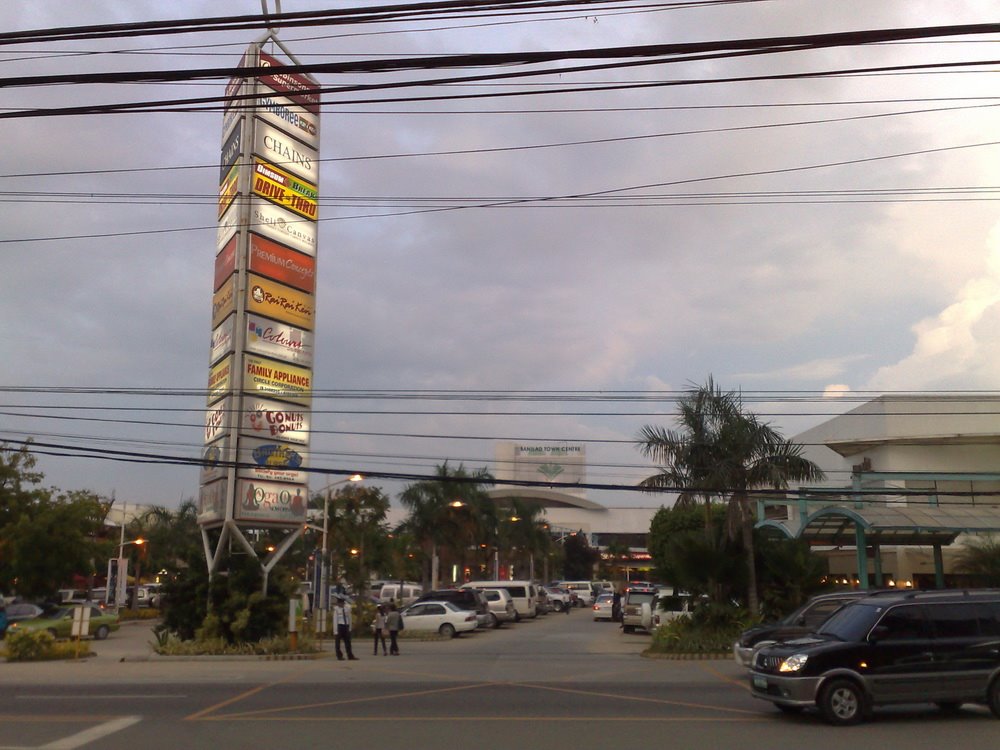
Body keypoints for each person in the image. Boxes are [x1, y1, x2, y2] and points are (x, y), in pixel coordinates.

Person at [333, 595, 358, 661]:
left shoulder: (347, 608)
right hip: (339, 626)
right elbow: (335, 620)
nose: (340, 604)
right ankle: (339, 656)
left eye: (342, 603)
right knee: (337, 643)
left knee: (348, 642)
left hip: (346, 626)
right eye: (339, 603)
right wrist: (335, 631)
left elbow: (349, 618)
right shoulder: (336, 610)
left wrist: (350, 628)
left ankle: (350, 655)